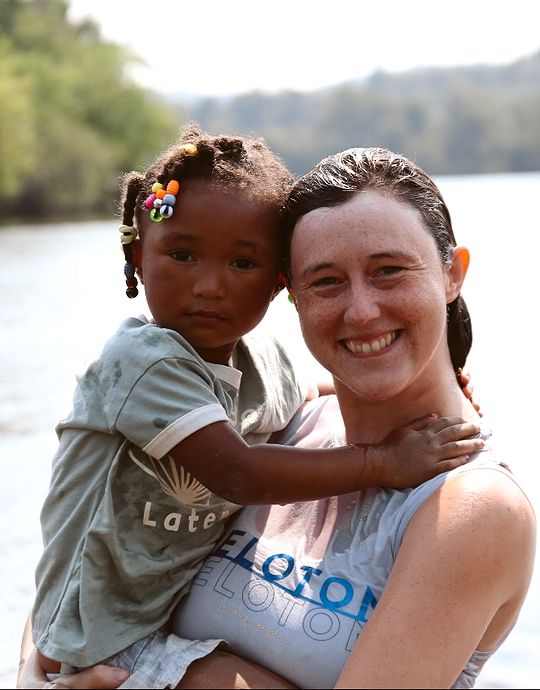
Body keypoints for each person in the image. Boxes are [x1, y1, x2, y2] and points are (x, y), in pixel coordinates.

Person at [25, 130, 484, 689]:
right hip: (98, 636)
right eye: (183, 254)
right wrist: (379, 463)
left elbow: (312, 392)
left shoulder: (265, 367)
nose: (211, 286)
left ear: (275, 286)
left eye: (243, 263)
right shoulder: (144, 362)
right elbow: (236, 471)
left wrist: (444, 387)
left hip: (135, 623)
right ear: (138, 257)